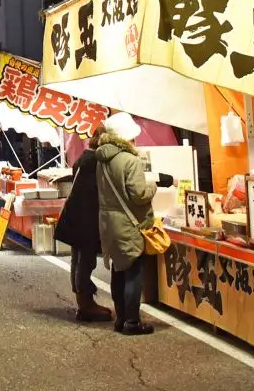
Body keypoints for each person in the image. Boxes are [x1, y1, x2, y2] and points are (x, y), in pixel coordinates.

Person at [95, 113, 172, 337]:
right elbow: (138, 195)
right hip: (129, 224)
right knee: (133, 273)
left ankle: (120, 318)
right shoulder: (130, 160)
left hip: (109, 223)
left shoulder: (103, 160)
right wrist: (153, 187)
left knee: (119, 271)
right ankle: (132, 321)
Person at [54, 124, 112, 323]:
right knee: (85, 260)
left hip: (75, 214)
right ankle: (86, 305)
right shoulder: (96, 160)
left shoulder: (84, 157)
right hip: (86, 216)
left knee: (77, 258)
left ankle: (83, 301)